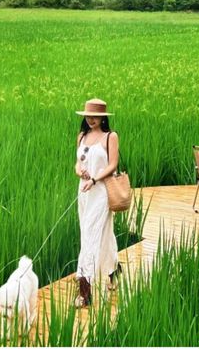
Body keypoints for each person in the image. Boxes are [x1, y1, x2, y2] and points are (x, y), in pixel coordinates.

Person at [74, 98, 119, 307]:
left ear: (103, 118)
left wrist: (94, 179)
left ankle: (85, 291)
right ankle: (113, 270)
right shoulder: (82, 136)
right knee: (102, 233)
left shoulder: (110, 137)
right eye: (88, 116)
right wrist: (80, 172)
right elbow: (77, 162)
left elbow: (113, 165)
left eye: (95, 117)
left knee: (90, 236)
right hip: (84, 193)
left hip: (100, 192)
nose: (91, 120)